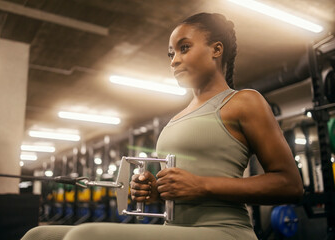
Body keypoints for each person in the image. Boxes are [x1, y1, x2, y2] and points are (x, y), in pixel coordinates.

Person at [22, 12, 303, 240]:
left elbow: (290, 185)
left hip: (224, 231)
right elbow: (180, 186)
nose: (175, 60)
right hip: (174, 229)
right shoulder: (177, 117)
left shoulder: (243, 101)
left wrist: (202, 185)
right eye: (171, 54)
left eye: (184, 48)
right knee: (40, 235)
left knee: (86, 236)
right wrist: (153, 190)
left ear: (217, 49)